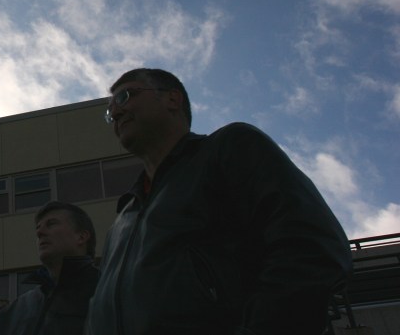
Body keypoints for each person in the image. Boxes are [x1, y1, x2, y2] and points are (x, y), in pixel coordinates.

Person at [87, 68, 353, 335]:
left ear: (172, 99)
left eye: (124, 97)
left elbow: (312, 248)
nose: (116, 114)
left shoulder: (230, 148)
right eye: (110, 112)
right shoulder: (123, 218)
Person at [0, 201, 100, 335]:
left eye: (51, 224)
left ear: (81, 237)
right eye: (38, 227)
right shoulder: (13, 312)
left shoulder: (111, 292)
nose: (39, 232)